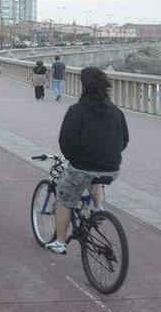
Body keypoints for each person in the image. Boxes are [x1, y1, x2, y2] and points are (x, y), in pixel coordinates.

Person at [45, 67, 129, 255]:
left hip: (82, 167)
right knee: (95, 175)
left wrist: (73, 158)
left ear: (84, 86)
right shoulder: (116, 111)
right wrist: (109, 156)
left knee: (64, 200)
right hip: (111, 168)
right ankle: (97, 208)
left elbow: (66, 142)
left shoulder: (77, 110)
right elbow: (124, 139)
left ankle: (59, 242)